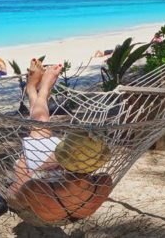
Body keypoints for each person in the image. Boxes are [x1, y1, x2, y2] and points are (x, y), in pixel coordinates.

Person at [8, 59, 112, 223]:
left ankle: (37, 91)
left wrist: (48, 164)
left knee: (40, 127)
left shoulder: (36, 188)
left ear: (61, 158)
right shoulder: (104, 183)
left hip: (39, 207)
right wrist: (60, 163)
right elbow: (93, 174)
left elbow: (12, 197)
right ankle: (38, 93)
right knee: (41, 129)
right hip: (71, 204)